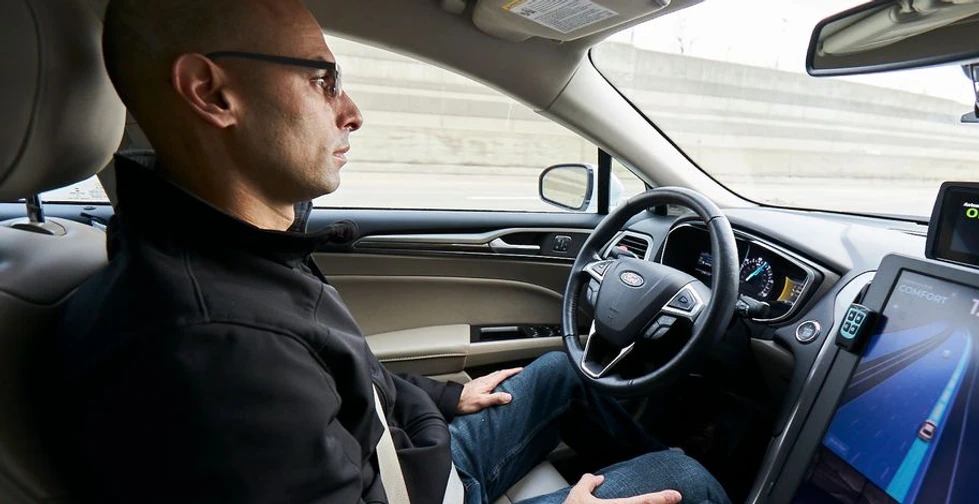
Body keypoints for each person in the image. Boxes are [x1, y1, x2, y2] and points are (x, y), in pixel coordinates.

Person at [53, 1, 731, 503]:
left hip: (411, 464)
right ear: (212, 92)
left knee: (561, 372)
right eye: (323, 80)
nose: (352, 111)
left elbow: (346, 387)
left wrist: (446, 396)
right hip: (419, 488)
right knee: (688, 480)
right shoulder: (217, 346)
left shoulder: (227, 253)